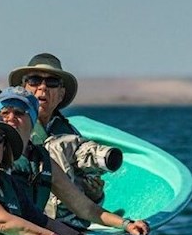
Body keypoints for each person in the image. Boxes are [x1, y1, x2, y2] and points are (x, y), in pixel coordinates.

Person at [0, 87, 151, 235]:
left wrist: (125, 224)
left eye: (19, 112)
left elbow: (85, 208)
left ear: (33, 118)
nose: (10, 118)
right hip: (1, 233)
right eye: (4, 113)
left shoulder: (43, 161)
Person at [8, 53, 117, 216]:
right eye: (34, 80)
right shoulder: (6, 126)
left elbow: (81, 199)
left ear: (61, 94)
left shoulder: (72, 136)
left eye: (51, 82)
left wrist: (95, 195)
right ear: (23, 89)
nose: (42, 87)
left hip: (61, 224)